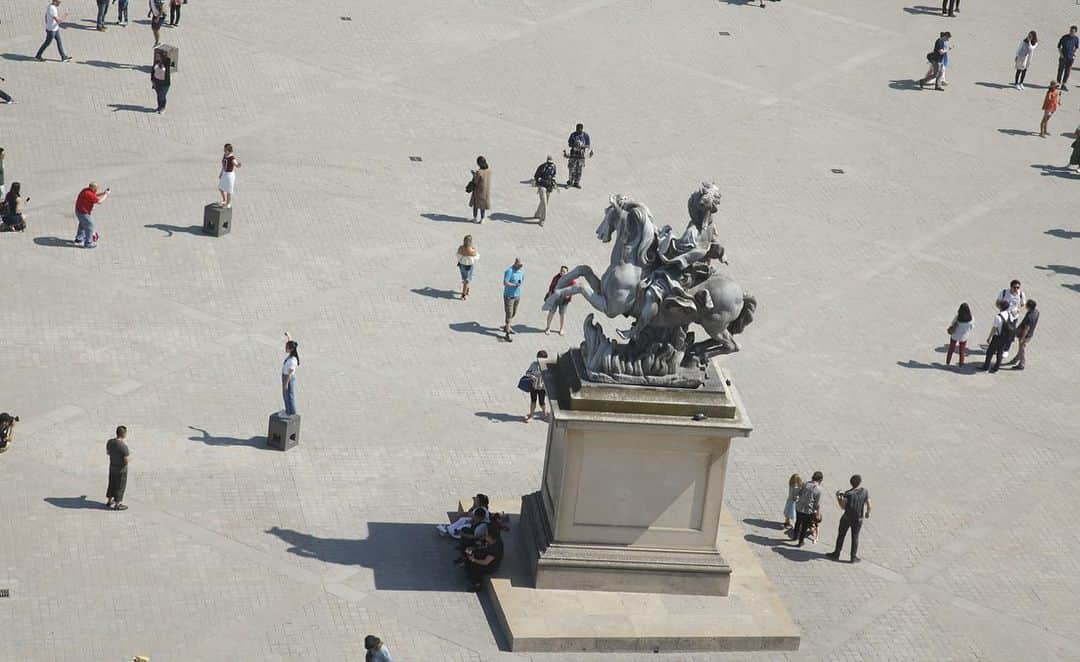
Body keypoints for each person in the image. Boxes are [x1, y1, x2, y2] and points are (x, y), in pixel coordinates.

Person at [826, 475, 872, 563]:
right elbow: (869, 503)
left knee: (841, 535)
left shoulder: (848, 494)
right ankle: (853, 557)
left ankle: (836, 554)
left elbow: (843, 507)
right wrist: (868, 512)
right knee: (855, 537)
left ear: (851, 483)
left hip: (846, 518)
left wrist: (838, 498)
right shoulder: (865, 491)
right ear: (860, 482)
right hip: (858, 519)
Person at [462, 526, 504, 591]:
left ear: (490, 537)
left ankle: (477, 585)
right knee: (470, 551)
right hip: (486, 554)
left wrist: (473, 560)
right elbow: (485, 546)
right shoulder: (495, 540)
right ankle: (469, 570)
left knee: (475, 566)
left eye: (487, 535)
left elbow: (485, 562)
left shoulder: (495, 549)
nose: (485, 536)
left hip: (491, 566)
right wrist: (474, 548)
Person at [981, 300, 1015, 373]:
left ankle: (986, 366)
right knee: (1000, 352)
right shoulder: (1010, 315)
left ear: (1000, 307)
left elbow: (994, 328)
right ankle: (996, 367)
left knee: (990, 352)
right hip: (1005, 337)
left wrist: (989, 337)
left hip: (997, 337)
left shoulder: (998, 317)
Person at [74, 182, 110, 248]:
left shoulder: (86, 190)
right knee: (90, 226)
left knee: (82, 224)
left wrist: (103, 193)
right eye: (96, 188)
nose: (97, 189)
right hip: (83, 213)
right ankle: (88, 243)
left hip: (79, 211)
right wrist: (106, 195)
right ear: (93, 188)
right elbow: (100, 202)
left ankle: (79, 238)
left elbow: (94, 195)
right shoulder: (89, 194)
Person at [1006, 300, 1038, 370]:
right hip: (1030, 334)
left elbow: (1026, 328)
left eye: (1026, 305)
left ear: (1029, 307)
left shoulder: (1030, 316)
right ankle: (1016, 359)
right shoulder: (1036, 312)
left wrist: (1022, 338)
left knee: (1022, 349)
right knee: (1021, 348)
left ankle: (1022, 363)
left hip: (1025, 335)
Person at [793, 471, 823, 546]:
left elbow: (799, 493)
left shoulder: (805, 483)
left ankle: (795, 536)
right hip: (808, 511)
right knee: (804, 527)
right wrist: (817, 512)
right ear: (820, 480)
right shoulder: (818, 490)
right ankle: (800, 542)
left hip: (799, 507)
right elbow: (816, 503)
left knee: (798, 522)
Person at [106, 426, 130, 510]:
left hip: (112, 467)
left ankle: (109, 501)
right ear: (123, 434)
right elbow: (126, 460)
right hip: (121, 469)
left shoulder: (110, 442)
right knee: (120, 486)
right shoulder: (123, 447)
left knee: (111, 483)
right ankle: (117, 504)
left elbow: (108, 453)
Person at [543, 266, 572, 335]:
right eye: (561, 271)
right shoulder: (556, 278)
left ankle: (561, 329)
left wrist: (569, 295)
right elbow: (551, 287)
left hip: (564, 300)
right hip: (555, 298)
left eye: (564, 271)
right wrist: (550, 296)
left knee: (562, 314)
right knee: (551, 313)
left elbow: (574, 287)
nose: (562, 272)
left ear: (567, 272)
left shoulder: (570, 279)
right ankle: (548, 327)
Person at [502, 258, 524, 342]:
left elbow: (522, 280)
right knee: (509, 313)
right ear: (515, 263)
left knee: (514, 312)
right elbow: (505, 282)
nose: (520, 267)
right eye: (519, 265)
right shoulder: (509, 271)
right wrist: (513, 285)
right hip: (509, 296)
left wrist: (519, 284)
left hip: (517, 295)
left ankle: (507, 326)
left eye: (521, 265)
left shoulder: (521, 272)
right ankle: (507, 333)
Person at [564, 123, 593, 188]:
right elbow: (569, 143)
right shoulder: (573, 135)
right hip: (573, 154)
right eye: (577, 129)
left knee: (579, 169)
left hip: (581, 155)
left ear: (582, 129)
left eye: (579, 129)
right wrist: (574, 145)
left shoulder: (585, 135)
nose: (578, 130)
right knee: (571, 168)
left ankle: (576, 182)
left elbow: (588, 145)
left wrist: (582, 146)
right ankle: (570, 181)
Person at [945, 302, 974, 367]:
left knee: (951, 349)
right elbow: (971, 327)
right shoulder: (971, 319)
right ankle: (960, 366)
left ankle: (948, 363)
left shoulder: (957, 318)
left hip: (955, 335)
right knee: (962, 351)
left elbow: (952, 324)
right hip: (964, 337)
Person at [524, 350, 548, 422]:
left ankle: (544, 412)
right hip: (534, 386)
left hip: (542, 387)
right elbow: (527, 372)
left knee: (541, 402)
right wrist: (531, 376)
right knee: (533, 401)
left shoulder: (547, 366)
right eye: (539, 358)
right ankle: (531, 415)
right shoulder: (534, 364)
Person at [533, 155, 556, 226]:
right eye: (549, 162)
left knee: (545, 202)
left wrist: (553, 183)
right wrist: (539, 181)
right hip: (542, 185)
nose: (550, 164)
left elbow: (553, 175)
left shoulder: (553, 167)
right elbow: (536, 176)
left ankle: (537, 214)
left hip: (549, 186)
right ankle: (542, 219)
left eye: (551, 163)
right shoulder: (542, 167)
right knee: (544, 202)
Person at [467, 156, 491, 223]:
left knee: (476, 205)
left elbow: (476, 181)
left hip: (478, 191)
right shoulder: (489, 171)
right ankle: (482, 219)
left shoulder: (479, 172)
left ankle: (475, 218)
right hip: (485, 191)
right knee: (482, 206)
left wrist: (474, 175)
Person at [218, 143, 241, 207]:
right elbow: (223, 165)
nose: (224, 151)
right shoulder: (225, 155)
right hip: (225, 173)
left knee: (229, 190)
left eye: (225, 150)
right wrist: (221, 173)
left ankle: (228, 203)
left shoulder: (232, 158)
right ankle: (224, 200)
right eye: (224, 150)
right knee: (220, 188)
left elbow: (236, 164)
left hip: (230, 175)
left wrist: (238, 165)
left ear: (229, 150)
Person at [456, 234, 479, 300]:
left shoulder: (461, 248)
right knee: (467, 280)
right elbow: (476, 258)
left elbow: (457, 255)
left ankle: (467, 288)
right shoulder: (472, 250)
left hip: (461, 265)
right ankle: (464, 294)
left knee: (464, 278)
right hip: (469, 266)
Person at [1056, 26, 1078, 92]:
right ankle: (1058, 83)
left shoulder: (1076, 39)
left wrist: (1073, 53)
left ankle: (1063, 84)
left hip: (1070, 58)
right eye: (1070, 31)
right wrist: (1061, 54)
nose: (1071, 32)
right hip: (1063, 57)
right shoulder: (1064, 37)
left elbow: (1076, 47)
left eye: (1073, 31)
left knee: (1067, 72)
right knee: (1060, 70)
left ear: (1075, 32)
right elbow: (1059, 46)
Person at [282, 333, 299, 416]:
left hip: (288, 378)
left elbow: (290, 374)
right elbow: (290, 342)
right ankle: (289, 411)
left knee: (288, 395)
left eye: (287, 348)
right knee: (287, 394)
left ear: (291, 349)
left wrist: (286, 384)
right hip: (286, 376)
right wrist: (288, 336)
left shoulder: (293, 361)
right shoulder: (292, 353)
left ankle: (290, 412)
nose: (285, 349)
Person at [151, 50, 171, 114]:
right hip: (157, 82)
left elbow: (169, 60)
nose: (157, 57)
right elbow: (152, 71)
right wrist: (152, 80)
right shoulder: (156, 62)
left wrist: (166, 54)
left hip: (164, 84)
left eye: (159, 56)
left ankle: (163, 107)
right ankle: (159, 107)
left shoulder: (167, 63)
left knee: (162, 95)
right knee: (159, 95)